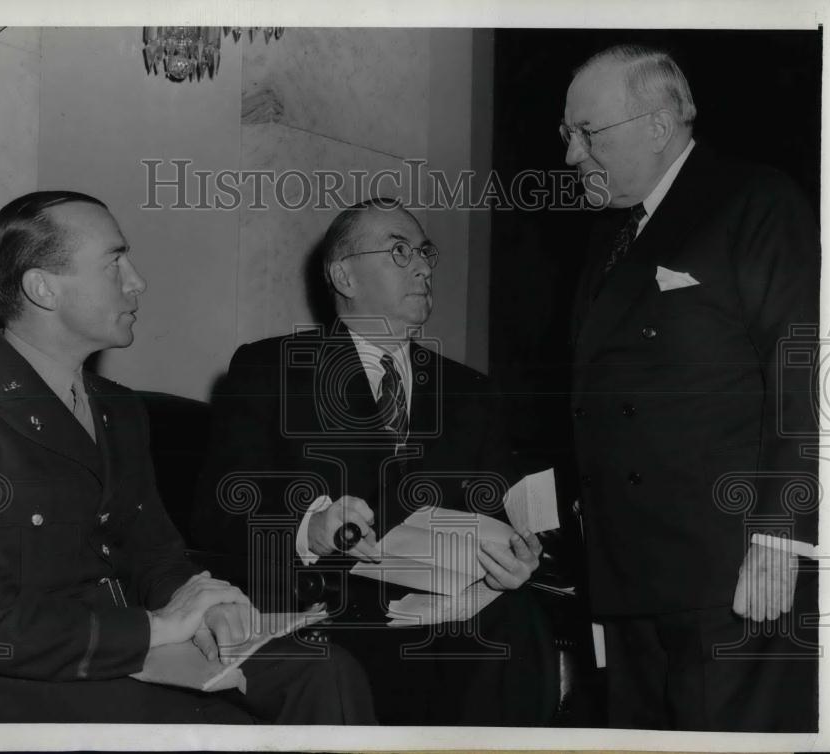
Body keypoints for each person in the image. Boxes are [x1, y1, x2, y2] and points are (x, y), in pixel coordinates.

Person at [0, 191, 375, 724]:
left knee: (327, 671)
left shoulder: (118, 408)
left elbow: (155, 554)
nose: (137, 281)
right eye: (114, 262)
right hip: (43, 681)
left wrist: (205, 602)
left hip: (146, 648)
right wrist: (157, 627)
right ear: (43, 288)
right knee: (227, 728)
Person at [193, 198, 557, 725]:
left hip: (452, 609)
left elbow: (503, 512)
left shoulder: (470, 392)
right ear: (344, 275)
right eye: (400, 251)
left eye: (425, 252)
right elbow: (217, 513)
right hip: (334, 606)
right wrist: (310, 528)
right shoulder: (272, 368)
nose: (423, 267)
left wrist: (518, 558)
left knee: (517, 618)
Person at [561, 45, 819, 731]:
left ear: (657, 124)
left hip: (729, 576)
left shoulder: (754, 201)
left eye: (587, 133)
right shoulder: (609, 237)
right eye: (567, 134)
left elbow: (804, 375)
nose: (571, 155)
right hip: (628, 580)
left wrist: (780, 538)